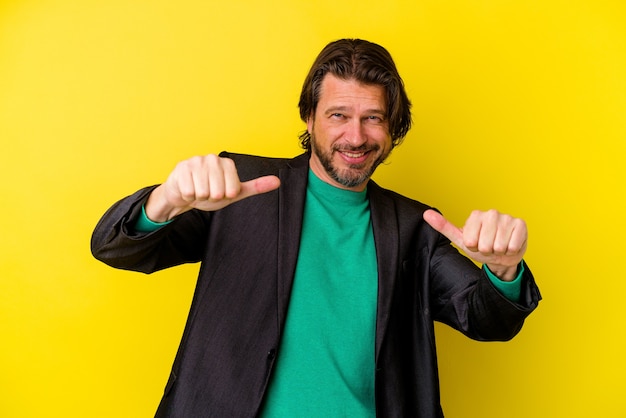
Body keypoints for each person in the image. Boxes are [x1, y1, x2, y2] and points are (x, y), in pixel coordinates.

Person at [91, 38, 541, 417]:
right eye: (338, 115)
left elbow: (486, 319)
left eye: (373, 118)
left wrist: (504, 271)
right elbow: (115, 247)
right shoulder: (239, 187)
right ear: (310, 118)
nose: (356, 136)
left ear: (392, 128)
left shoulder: (415, 226)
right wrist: (166, 200)